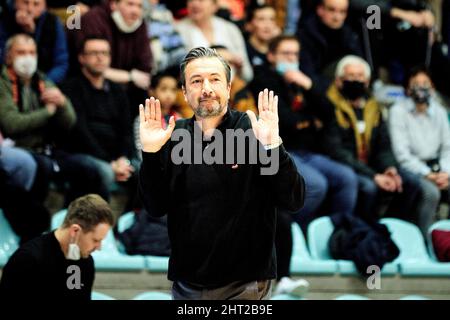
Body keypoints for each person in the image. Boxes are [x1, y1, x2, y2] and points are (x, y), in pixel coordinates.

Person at [138, 46, 305, 300]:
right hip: (186, 283)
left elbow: (292, 200)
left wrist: (273, 146)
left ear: (228, 87)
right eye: (196, 81)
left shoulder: (253, 131)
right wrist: (150, 155)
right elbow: (155, 207)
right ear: (184, 91)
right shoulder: (174, 135)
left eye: (215, 79)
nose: (206, 88)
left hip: (245, 283)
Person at [249, 35, 358, 233]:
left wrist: (308, 85)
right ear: (272, 56)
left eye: (295, 54)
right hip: (281, 150)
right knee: (316, 184)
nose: (291, 58)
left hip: (309, 151)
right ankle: (290, 233)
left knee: (347, 178)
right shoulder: (262, 79)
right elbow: (283, 120)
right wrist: (310, 122)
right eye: (286, 53)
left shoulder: (303, 79)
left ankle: (338, 235)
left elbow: (329, 113)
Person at [0, 34, 104, 205]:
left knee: (88, 168)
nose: (28, 58)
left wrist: (63, 103)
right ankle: (36, 227)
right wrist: (47, 112)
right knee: (43, 169)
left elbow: (69, 122)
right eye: (21, 52)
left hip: (47, 150)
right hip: (19, 149)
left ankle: (72, 220)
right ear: (8, 56)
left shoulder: (40, 79)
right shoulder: (3, 83)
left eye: (32, 53)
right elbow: (11, 124)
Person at [326, 55, 425, 229]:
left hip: (371, 165)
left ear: (367, 81)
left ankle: (390, 228)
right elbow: (337, 152)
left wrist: (390, 169)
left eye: (360, 77)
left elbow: (383, 146)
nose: (355, 81)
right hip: (346, 166)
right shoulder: (329, 106)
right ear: (339, 81)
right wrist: (374, 175)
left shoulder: (374, 108)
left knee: (409, 183)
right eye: (350, 76)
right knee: (369, 187)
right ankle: (359, 231)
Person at [61, 36, 136, 204]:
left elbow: (126, 130)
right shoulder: (70, 88)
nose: (100, 57)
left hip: (115, 158)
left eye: (104, 53)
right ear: (82, 58)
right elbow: (79, 131)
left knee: (146, 172)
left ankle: (134, 227)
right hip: (80, 154)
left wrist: (122, 159)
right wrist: (109, 163)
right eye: (94, 53)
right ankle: (100, 226)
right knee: (102, 171)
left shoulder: (118, 91)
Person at [0, 194, 114, 300]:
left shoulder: (84, 262)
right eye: (96, 240)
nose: (99, 247)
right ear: (75, 231)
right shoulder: (28, 259)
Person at [389, 66, 450, 229]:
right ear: (408, 89)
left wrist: (445, 172)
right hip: (409, 168)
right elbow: (402, 155)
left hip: (438, 167)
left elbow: (447, 147)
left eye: (425, 83)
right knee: (431, 193)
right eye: (416, 83)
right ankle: (426, 242)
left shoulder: (440, 111)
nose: (421, 88)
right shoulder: (398, 111)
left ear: (433, 88)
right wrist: (427, 174)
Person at [297, 0, 363, 93]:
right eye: (332, 10)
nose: (337, 17)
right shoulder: (305, 35)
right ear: (320, 10)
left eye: (342, 12)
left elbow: (361, 65)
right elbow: (307, 73)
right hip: (317, 92)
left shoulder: (350, 35)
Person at [0, 0, 69, 83]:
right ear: (15, 3)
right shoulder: (4, 19)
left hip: (44, 80)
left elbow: (61, 63)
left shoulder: (52, 22)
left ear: (44, 6)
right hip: (6, 80)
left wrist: (43, 83)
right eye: (25, 3)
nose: (30, 9)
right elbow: (3, 55)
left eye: (36, 4)